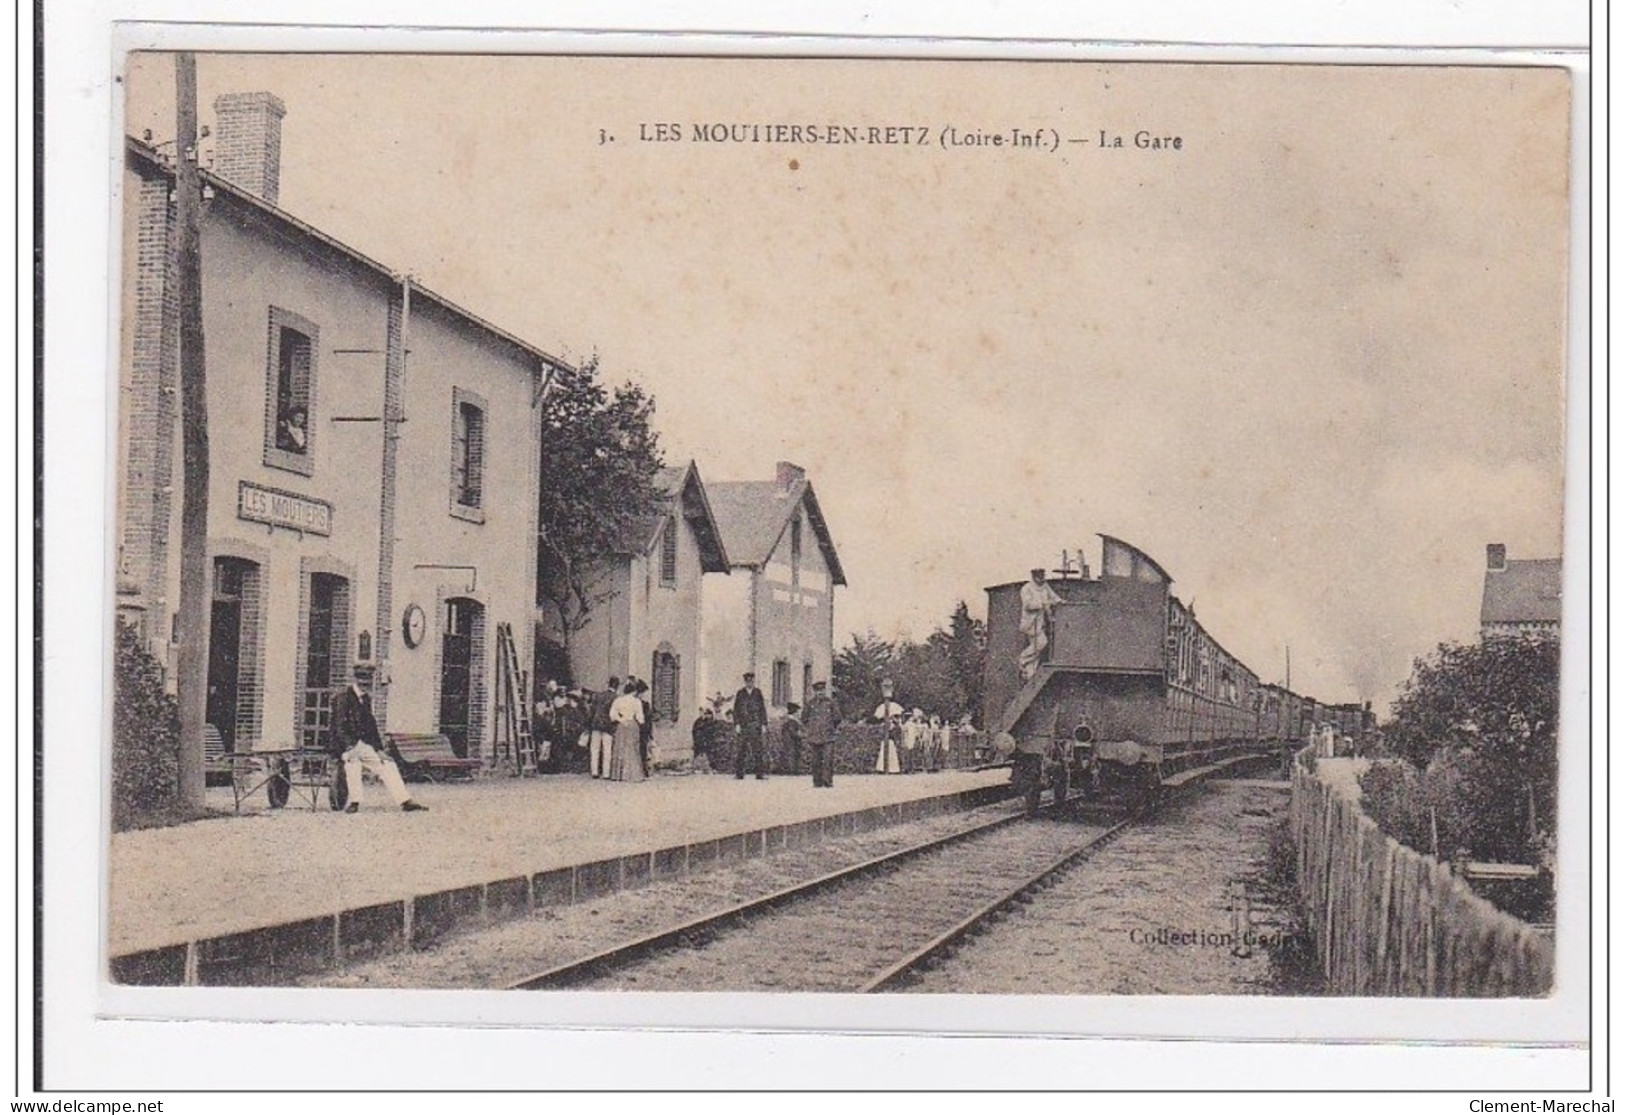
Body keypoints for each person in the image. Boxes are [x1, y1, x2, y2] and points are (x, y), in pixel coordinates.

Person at [328, 664, 427, 814]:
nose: (365, 684)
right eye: (362, 680)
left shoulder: (365, 699)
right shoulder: (343, 698)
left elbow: (370, 726)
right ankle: (355, 802)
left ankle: (405, 801)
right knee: (353, 763)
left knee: (387, 764)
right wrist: (350, 747)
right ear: (356, 679)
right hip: (343, 745)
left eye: (367, 680)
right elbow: (339, 727)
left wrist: (379, 749)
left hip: (362, 745)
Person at [1019, 567, 1063, 680]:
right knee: (1041, 643)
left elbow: (1053, 597)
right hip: (1031, 623)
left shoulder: (1044, 586)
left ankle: (1030, 674)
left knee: (1037, 653)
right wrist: (1043, 603)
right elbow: (1028, 605)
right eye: (1039, 577)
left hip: (1041, 621)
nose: (1042, 579)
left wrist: (1060, 601)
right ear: (1034, 577)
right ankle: (1023, 658)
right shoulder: (1027, 588)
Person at [607, 681, 647, 782]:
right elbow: (640, 717)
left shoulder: (618, 700)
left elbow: (612, 715)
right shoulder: (636, 701)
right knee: (632, 748)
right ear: (633, 691)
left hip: (622, 725)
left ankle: (618, 774)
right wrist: (641, 723)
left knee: (620, 747)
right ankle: (632, 774)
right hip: (632, 724)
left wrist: (621, 720)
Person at [802, 680, 839, 788]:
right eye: (818, 691)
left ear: (824, 691)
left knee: (828, 759)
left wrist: (831, 727)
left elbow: (837, 718)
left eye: (822, 690)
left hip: (828, 735)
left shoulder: (831, 703)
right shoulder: (810, 704)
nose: (820, 693)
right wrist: (812, 728)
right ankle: (817, 782)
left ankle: (827, 781)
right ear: (815, 692)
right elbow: (804, 718)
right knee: (815, 760)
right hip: (815, 736)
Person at [733, 672, 768, 780]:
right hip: (743, 725)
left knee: (757, 750)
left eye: (751, 681)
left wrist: (763, 724)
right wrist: (737, 724)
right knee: (741, 750)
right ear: (745, 682)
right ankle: (739, 774)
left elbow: (762, 709)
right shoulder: (740, 693)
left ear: (753, 681)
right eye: (748, 681)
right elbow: (736, 710)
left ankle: (759, 774)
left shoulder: (758, 693)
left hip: (755, 725)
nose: (749, 683)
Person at [587, 677, 619, 778]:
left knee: (595, 748)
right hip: (607, 725)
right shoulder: (616, 697)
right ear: (617, 686)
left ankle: (594, 771)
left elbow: (592, 710)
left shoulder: (598, 695)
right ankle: (606, 773)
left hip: (596, 724)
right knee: (607, 749)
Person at [873, 683, 905, 774]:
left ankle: (893, 768)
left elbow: (898, 723)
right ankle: (883, 768)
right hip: (885, 737)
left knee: (891, 749)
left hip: (891, 737)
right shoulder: (883, 710)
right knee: (884, 749)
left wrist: (894, 721)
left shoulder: (895, 717)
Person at [636, 678, 655, 773]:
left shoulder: (642, 703)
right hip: (643, 729)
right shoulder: (644, 704)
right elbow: (648, 720)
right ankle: (644, 770)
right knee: (642, 750)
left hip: (641, 729)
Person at [779, 703, 804, 775]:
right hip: (792, 742)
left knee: (789, 755)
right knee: (792, 756)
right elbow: (793, 732)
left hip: (788, 741)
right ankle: (792, 771)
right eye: (798, 712)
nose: (799, 713)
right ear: (795, 712)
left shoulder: (787, 720)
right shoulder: (792, 721)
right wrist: (802, 735)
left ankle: (789, 770)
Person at [691, 706, 716, 773]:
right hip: (699, 740)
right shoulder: (699, 721)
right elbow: (694, 730)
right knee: (698, 753)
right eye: (701, 712)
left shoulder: (710, 722)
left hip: (707, 740)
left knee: (708, 754)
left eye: (707, 714)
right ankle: (697, 767)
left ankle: (709, 767)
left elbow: (710, 731)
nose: (706, 715)